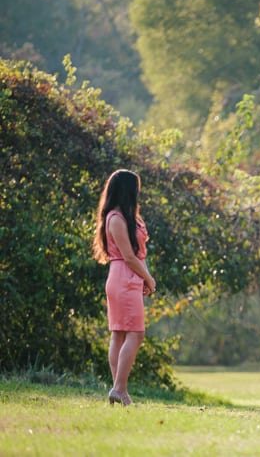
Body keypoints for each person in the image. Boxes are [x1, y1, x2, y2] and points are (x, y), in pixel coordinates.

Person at [91, 169, 157, 406]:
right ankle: (119, 388)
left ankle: (120, 391)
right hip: (122, 276)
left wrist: (145, 277)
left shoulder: (133, 219)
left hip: (132, 276)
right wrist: (148, 279)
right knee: (134, 333)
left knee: (120, 333)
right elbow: (128, 257)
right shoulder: (116, 218)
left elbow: (141, 254)